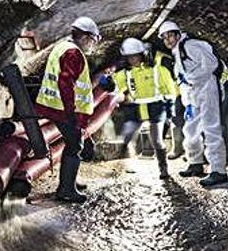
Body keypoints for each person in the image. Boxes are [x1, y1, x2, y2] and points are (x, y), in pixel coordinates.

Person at [34, 16, 102, 203]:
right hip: (62, 109)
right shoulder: (73, 53)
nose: (92, 45)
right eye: (93, 40)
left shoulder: (62, 47)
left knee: (73, 144)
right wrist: (71, 113)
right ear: (86, 37)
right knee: (74, 145)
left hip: (53, 105)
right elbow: (65, 83)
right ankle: (66, 190)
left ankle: (69, 182)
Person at [158, 20, 228, 187]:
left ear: (177, 34)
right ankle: (195, 163)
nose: (168, 40)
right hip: (194, 95)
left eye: (170, 35)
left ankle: (218, 170)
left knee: (211, 128)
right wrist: (187, 103)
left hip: (207, 89)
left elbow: (211, 64)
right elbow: (183, 81)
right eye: (164, 37)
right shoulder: (177, 53)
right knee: (190, 128)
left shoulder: (191, 46)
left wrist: (191, 78)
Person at [109, 38, 177, 179]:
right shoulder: (125, 73)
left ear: (142, 54)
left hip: (156, 105)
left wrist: (170, 107)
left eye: (135, 56)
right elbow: (116, 87)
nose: (132, 60)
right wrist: (108, 84)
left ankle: (163, 169)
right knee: (128, 134)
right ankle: (124, 164)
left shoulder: (157, 69)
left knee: (156, 139)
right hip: (136, 106)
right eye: (129, 57)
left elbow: (170, 89)